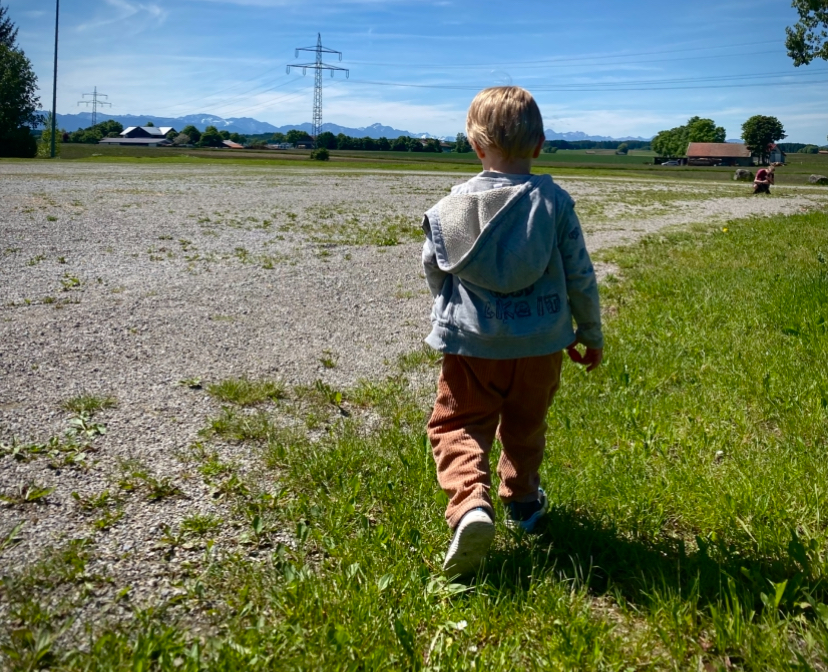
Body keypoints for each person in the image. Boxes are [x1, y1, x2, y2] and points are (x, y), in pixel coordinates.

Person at [420, 86, 604, 577]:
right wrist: (589, 330)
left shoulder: (451, 208)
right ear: (540, 144)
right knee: (525, 423)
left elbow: (434, 268)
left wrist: (447, 311)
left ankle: (470, 506)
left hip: (473, 345)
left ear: (475, 146)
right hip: (543, 343)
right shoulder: (555, 202)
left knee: (458, 424)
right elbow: (580, 273)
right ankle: (522, 502)